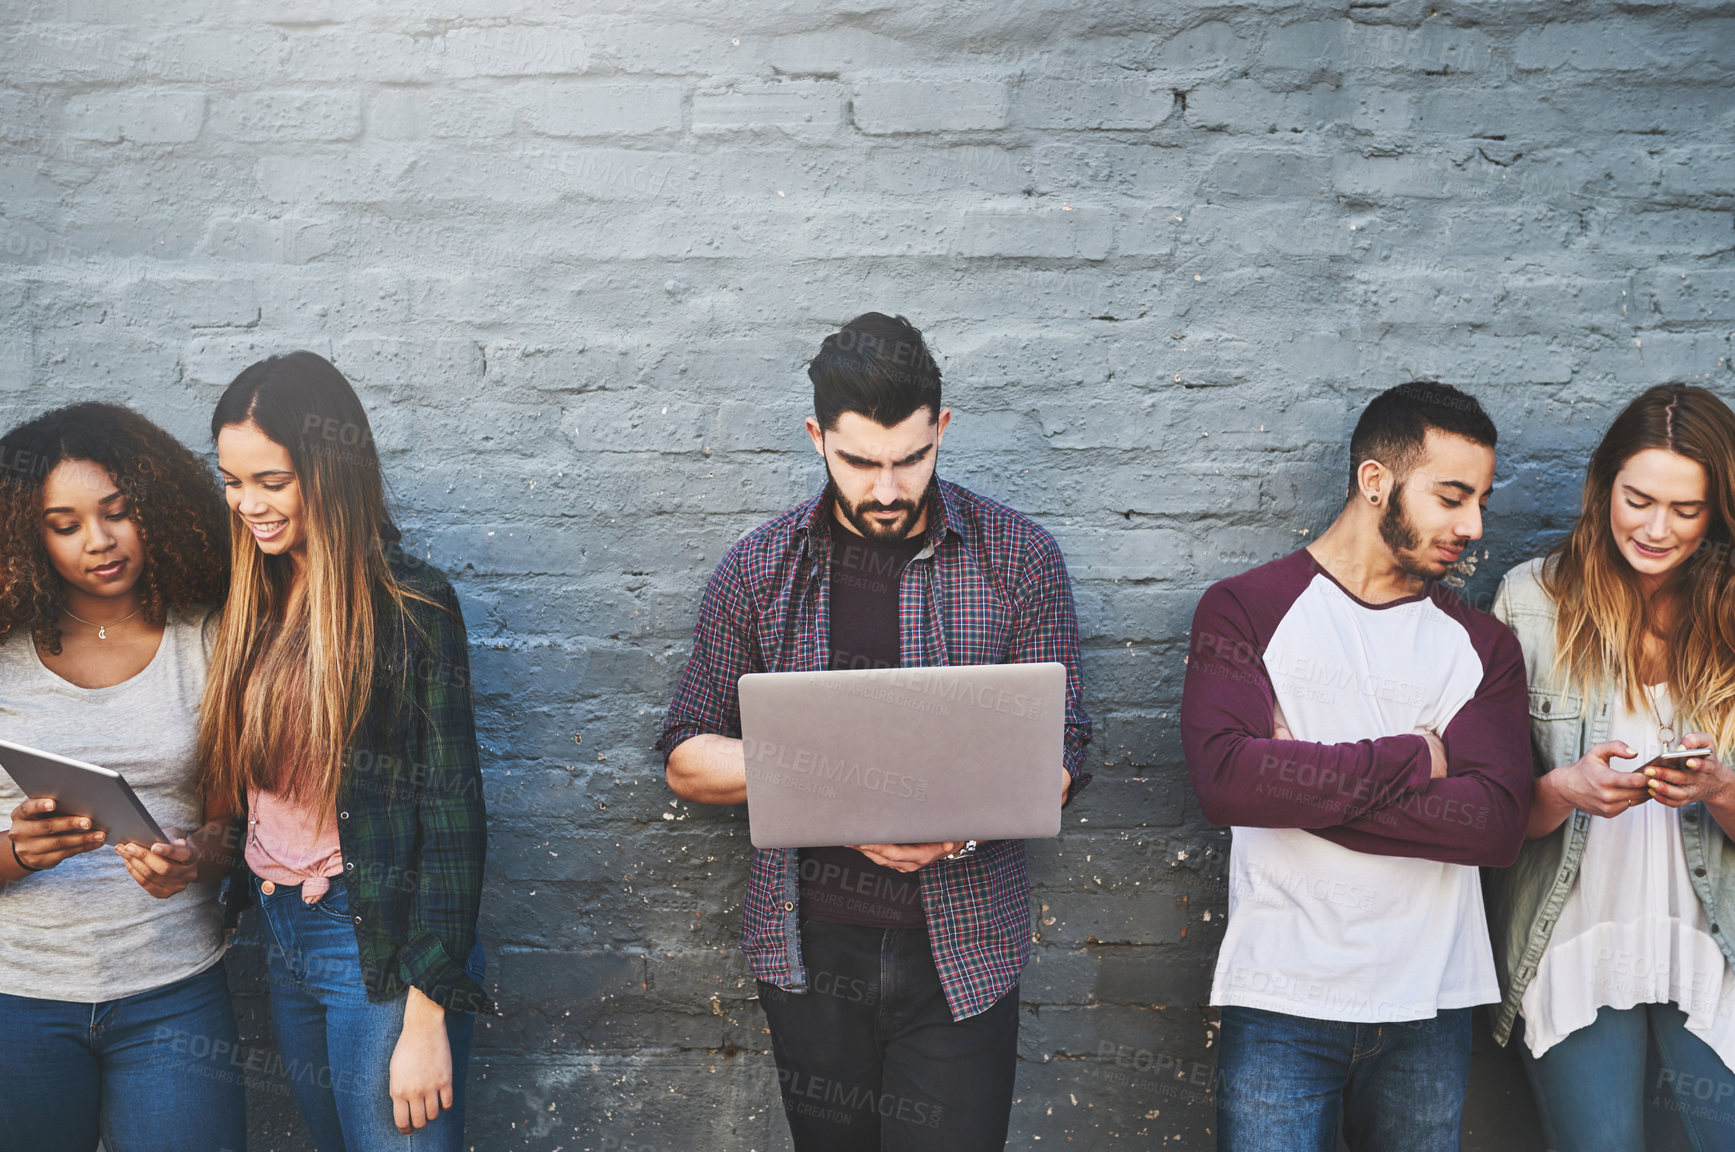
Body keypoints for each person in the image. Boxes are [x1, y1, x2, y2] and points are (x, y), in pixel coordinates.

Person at [657, 313, 1091, 1151]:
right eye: (859, 462)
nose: (887, 489)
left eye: (910, 459)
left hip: (964, 950)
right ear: (817, 437)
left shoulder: (1019, 558)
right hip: (811, 953)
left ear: (942, 431)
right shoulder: (758, 569)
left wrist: (955, 830)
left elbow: (1064, 751)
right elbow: (685, 757)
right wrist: (831, 774)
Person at [1181, 381, 1532, 1151]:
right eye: (1449, 497)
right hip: (1280, 998)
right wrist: (1417, 755)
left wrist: (1292, 777)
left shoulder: (1480, 646)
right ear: (1376, 482)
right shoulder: (1245, 610)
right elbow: (1226, 782)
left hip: (1428, 1005)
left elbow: (1495, 825)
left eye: (1478, 501)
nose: (1471, 526)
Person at [201, 351, 490, 1150]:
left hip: (377, 946)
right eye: (232, 480)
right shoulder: (252, 595)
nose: (246, 504)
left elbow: (454, 817)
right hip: (282, 931)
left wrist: (427, 1013)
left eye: (271, 480)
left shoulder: (410, 605)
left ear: (328, 471)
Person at [1488, 384, 1735, 1151]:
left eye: (1685, 510)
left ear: (1718, 511)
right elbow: (1489, 816)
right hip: (1574, 943)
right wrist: (1564, 789)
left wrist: (1721, 789)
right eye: (1638, 499)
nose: (1655, 529)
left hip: (1712, 948)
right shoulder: (1530, 602)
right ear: (1603, 486)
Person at [0, 402, 242, 1151]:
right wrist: (18, 852)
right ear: (26, 535)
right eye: (64, 524)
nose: (99, 543)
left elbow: (241, 829)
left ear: (158, 510)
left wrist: (195, 858)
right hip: (18, 998)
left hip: (172, 994)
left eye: (118, 513)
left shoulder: (209, 638)